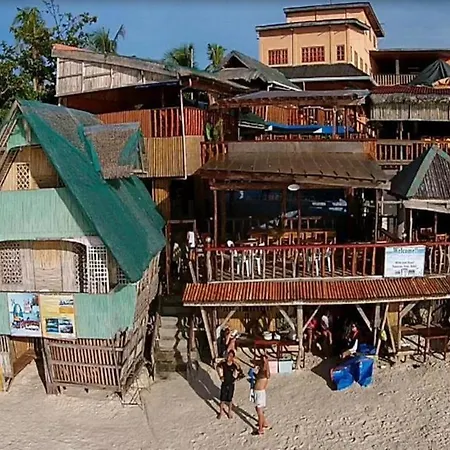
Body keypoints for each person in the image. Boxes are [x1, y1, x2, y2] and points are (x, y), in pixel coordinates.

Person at [217, 350, 240, 419]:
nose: (228, 357)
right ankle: (221, 412)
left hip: (231, 384)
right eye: (228, 355)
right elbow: (217, 367)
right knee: (222, 399)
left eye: (230, 356)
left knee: (230, 399)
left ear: (232, 357)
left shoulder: (234, 365)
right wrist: (220, 376)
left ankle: (229, 412)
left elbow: (239, 372)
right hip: (224, 383)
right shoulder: (223, 364)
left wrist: (235, 379)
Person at [253, 354, 271, 435]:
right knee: (257, 409)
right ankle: (264, 423)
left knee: (259, 411)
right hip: (257, 392)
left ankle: (260, 429)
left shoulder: (266, 371)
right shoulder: (260, 369)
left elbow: (268, 375)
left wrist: (266, 363)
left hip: (260, 393)